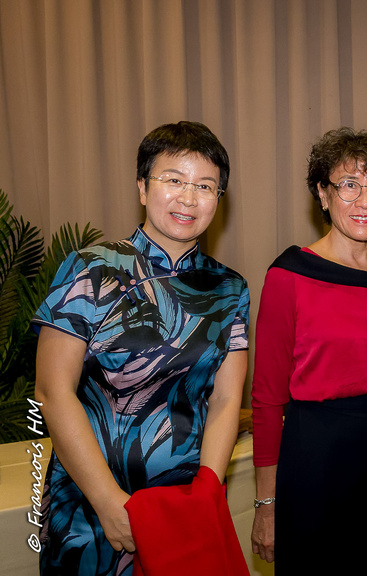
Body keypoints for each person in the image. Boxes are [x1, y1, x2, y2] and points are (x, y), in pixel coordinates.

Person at [33, 121, 250, 576]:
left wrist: (209, 490)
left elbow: (227, 398)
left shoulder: (230, 289)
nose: (189, 197)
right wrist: (110, 503)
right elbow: (54, 392)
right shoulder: (92, 269)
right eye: (173, 180)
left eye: (205, 186)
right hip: (90, 506)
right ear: (142, 188)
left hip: (184, 504)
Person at [250, 127, 367, 575]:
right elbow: (268, 400)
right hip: (318, 461)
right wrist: (267, 505)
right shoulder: (289, 276)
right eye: (349, 185)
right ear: (323, 194)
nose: (364, 201)